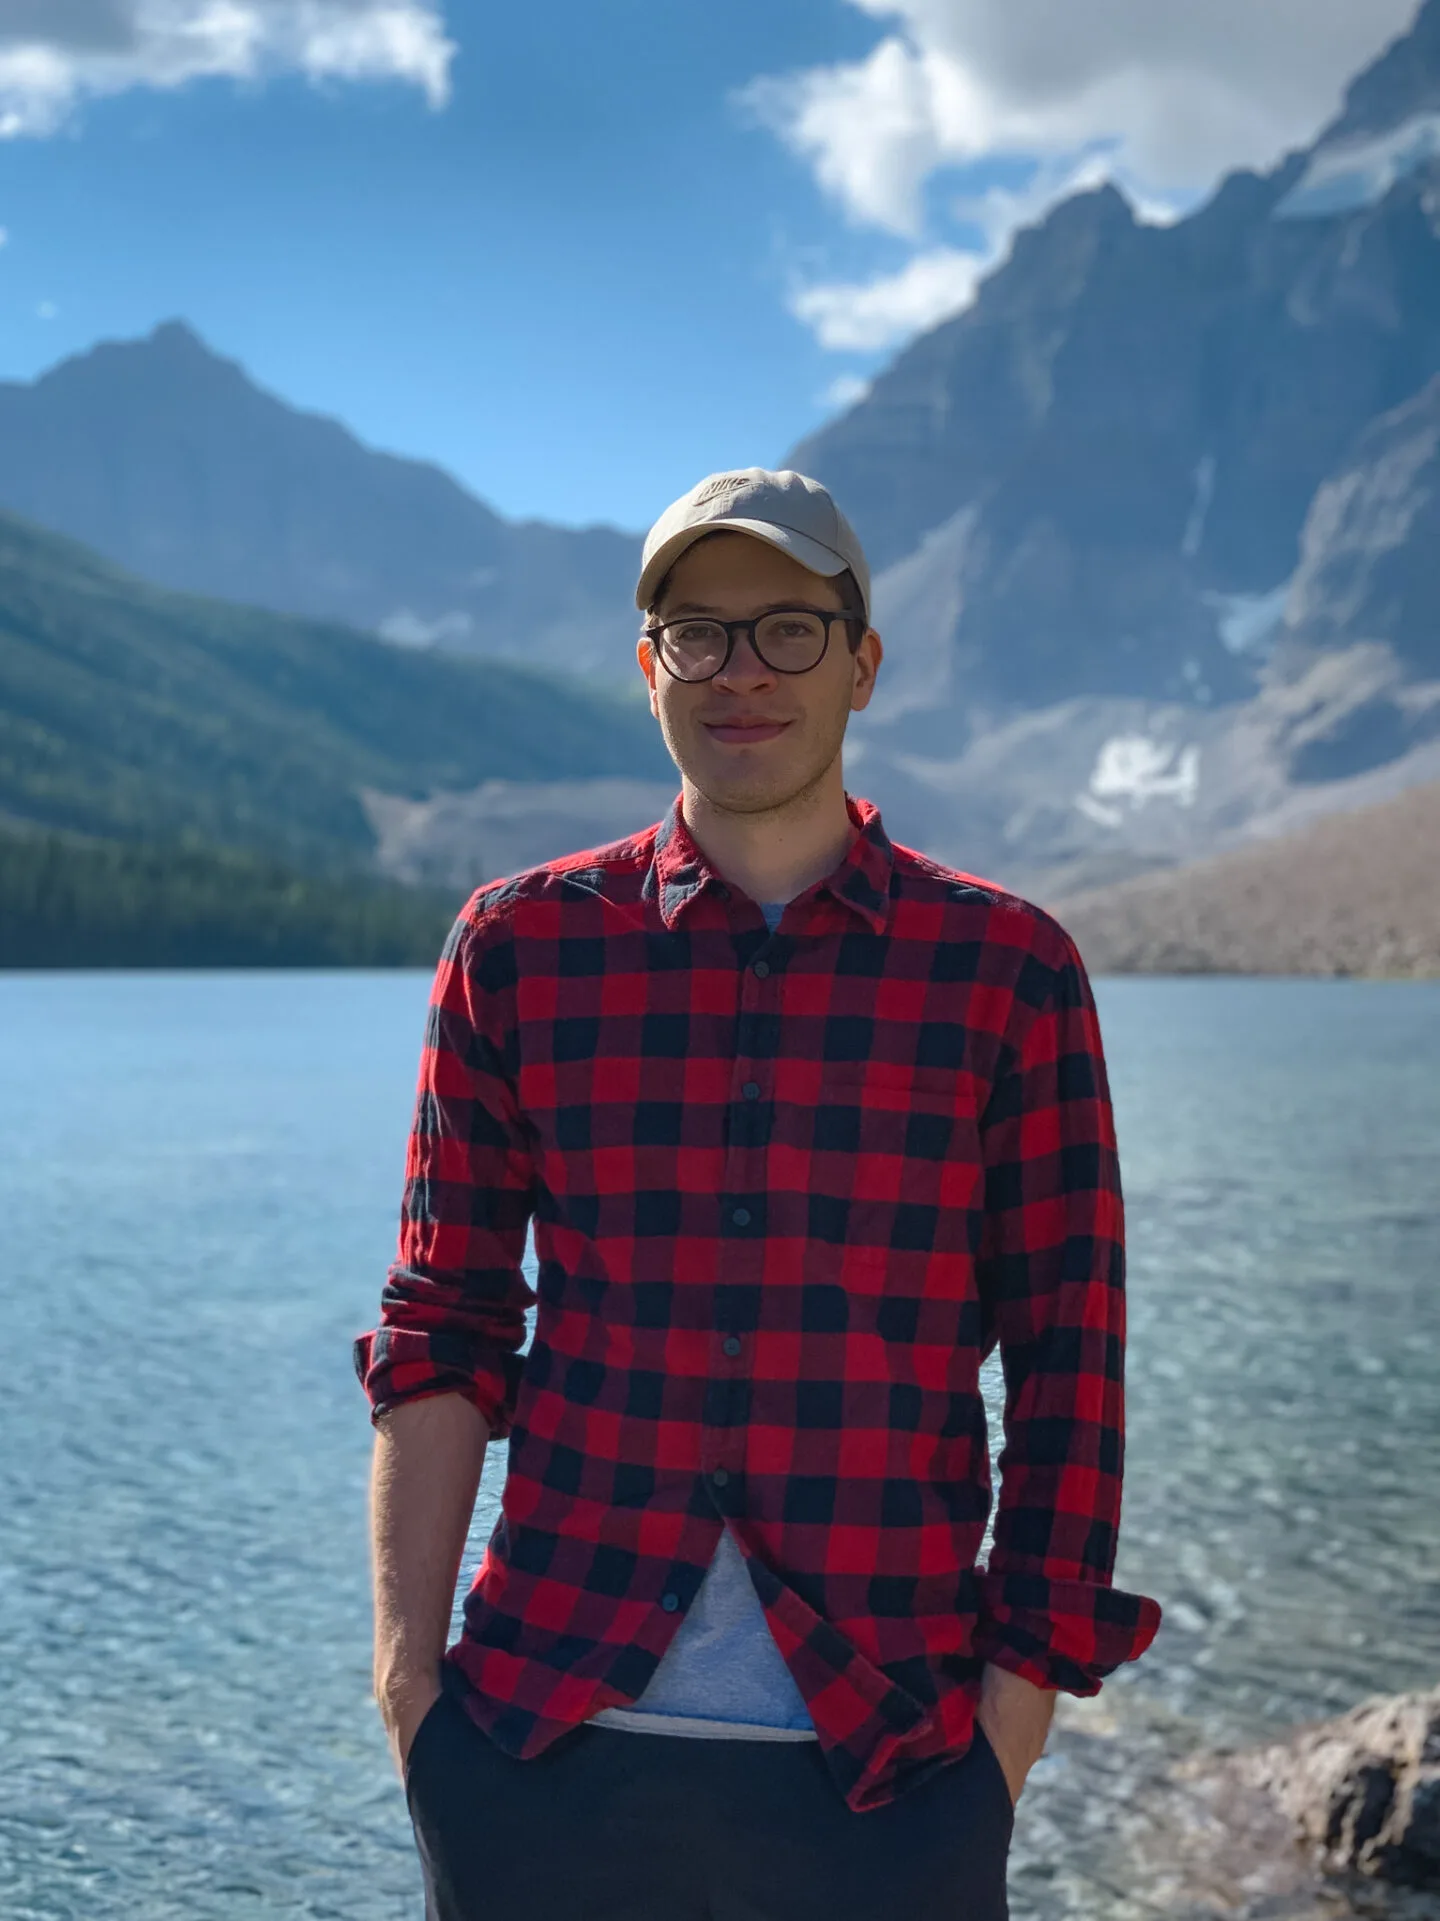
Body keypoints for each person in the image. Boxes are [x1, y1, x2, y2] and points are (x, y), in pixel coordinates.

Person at [354, 468, 1161, 1920]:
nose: (742, 672)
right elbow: (444, 1326)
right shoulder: (521, 948)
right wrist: (412, 1692)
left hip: (892, 1768)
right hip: (540, 1738)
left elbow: (1069, 1373)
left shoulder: (1008, 974)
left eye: (789, 629)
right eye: (697, 632)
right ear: (646, 665)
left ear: (862, 660)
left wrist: (1008, 1734)